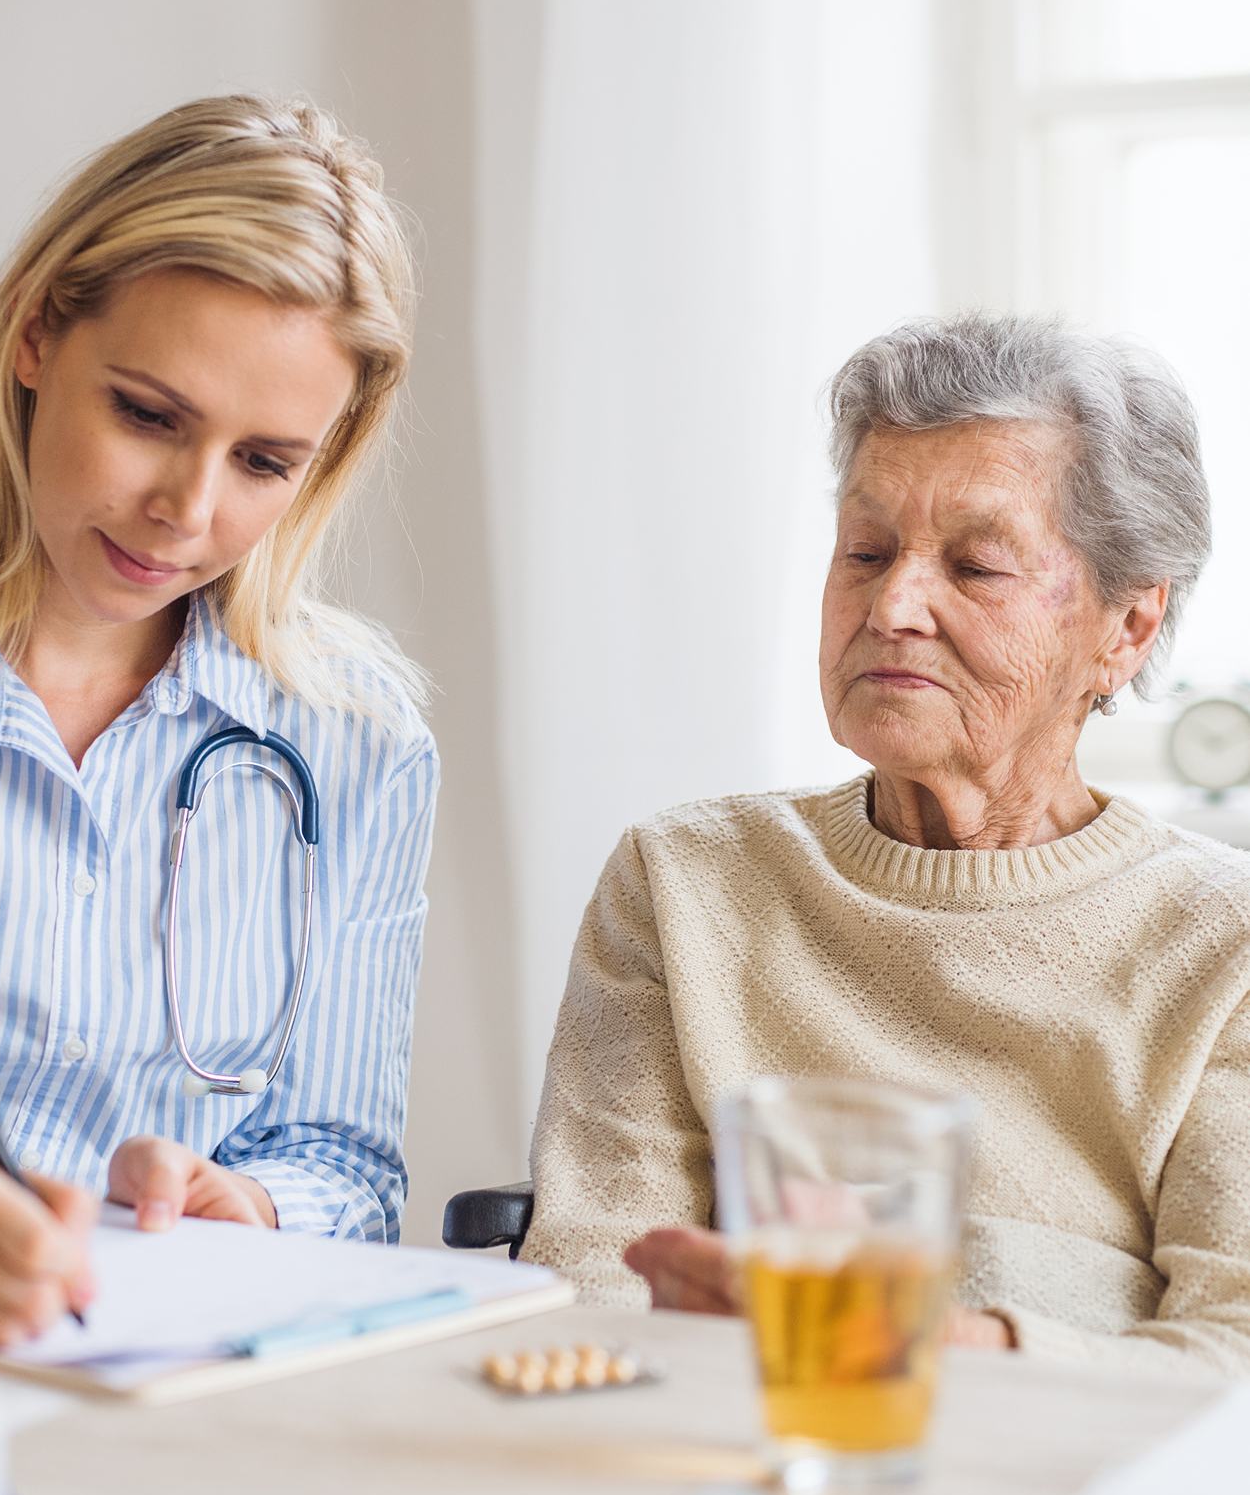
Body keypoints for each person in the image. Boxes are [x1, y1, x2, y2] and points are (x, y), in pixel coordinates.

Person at [0, 96, 437, 1360]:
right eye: (148, 415)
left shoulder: (357, 740)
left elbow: (346, 1164)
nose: (185, 511)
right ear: (36, 334)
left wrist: (244, 1204)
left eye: (263, 463)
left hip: (146, 1399)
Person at [522, 311, 1250, 1377]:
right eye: (866, 552)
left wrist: (924, 1346)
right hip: (734, 1442)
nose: (893, 605)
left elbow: (1233, 1356)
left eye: (977, 566)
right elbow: (598, 1285)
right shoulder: (682, 882)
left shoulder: (1223, 939)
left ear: (1127, 628)